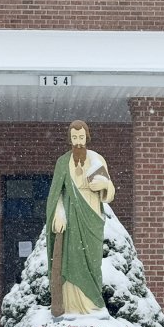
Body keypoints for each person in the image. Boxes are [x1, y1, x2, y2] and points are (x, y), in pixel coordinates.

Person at [45, 120, 115, 316]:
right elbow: (56, 193)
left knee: (92, 261)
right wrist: (59, 214)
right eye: (74, 138)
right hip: (70, 215)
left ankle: (92, 306)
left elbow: (110, 193)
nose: (78, 142)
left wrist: (104, 185)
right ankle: (71, 306)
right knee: (71, 257)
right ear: (70, 139)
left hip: (92, 215)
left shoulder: (96, 159)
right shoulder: (62, 162)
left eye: (81, 137)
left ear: (87, 137)